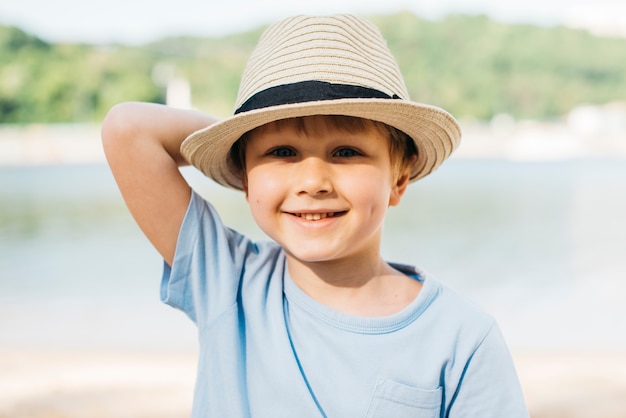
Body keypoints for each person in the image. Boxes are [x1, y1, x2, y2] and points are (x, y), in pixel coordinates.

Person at [102, 14, 528, 418]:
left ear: (399, 179)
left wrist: (264, 148)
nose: (312, 181)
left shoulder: (461, 338)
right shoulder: (230, 284)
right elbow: (127, 129)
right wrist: (240, 148)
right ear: (246, 178)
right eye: (282, 153)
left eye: (345, 152)